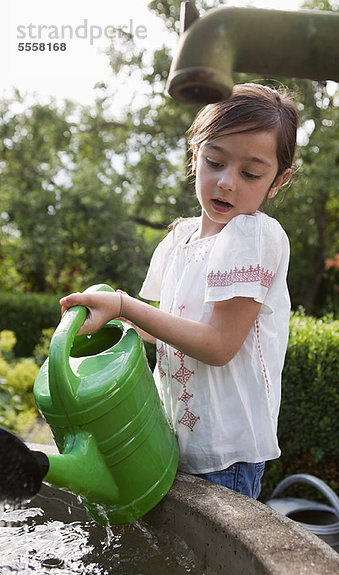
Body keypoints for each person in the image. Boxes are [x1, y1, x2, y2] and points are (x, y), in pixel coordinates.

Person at [60, 83, 298, 500]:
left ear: (278, 181)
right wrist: (118, 317)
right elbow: (174, 328)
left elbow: (220, 344)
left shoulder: (254, 234)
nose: (226, 183)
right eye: (214, 162)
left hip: (225, 454)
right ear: (194, 158)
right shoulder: (179, 238)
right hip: (174, 443)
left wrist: (125, 304)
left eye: (250, 173)